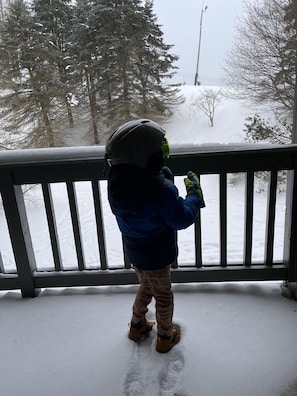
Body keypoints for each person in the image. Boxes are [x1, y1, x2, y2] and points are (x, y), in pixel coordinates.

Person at [105, 119, 205, 353]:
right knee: (163, 296)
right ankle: (164, 336)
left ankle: (137, 325)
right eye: (162, 150)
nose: (164, 154)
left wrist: (161, 177)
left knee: (146, 287)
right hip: (158, 256)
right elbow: (180, 218)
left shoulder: (117, 183)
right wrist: (194, 196)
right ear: (147, 156)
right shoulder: (161, 191)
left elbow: (144, 205)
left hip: (136, 252)